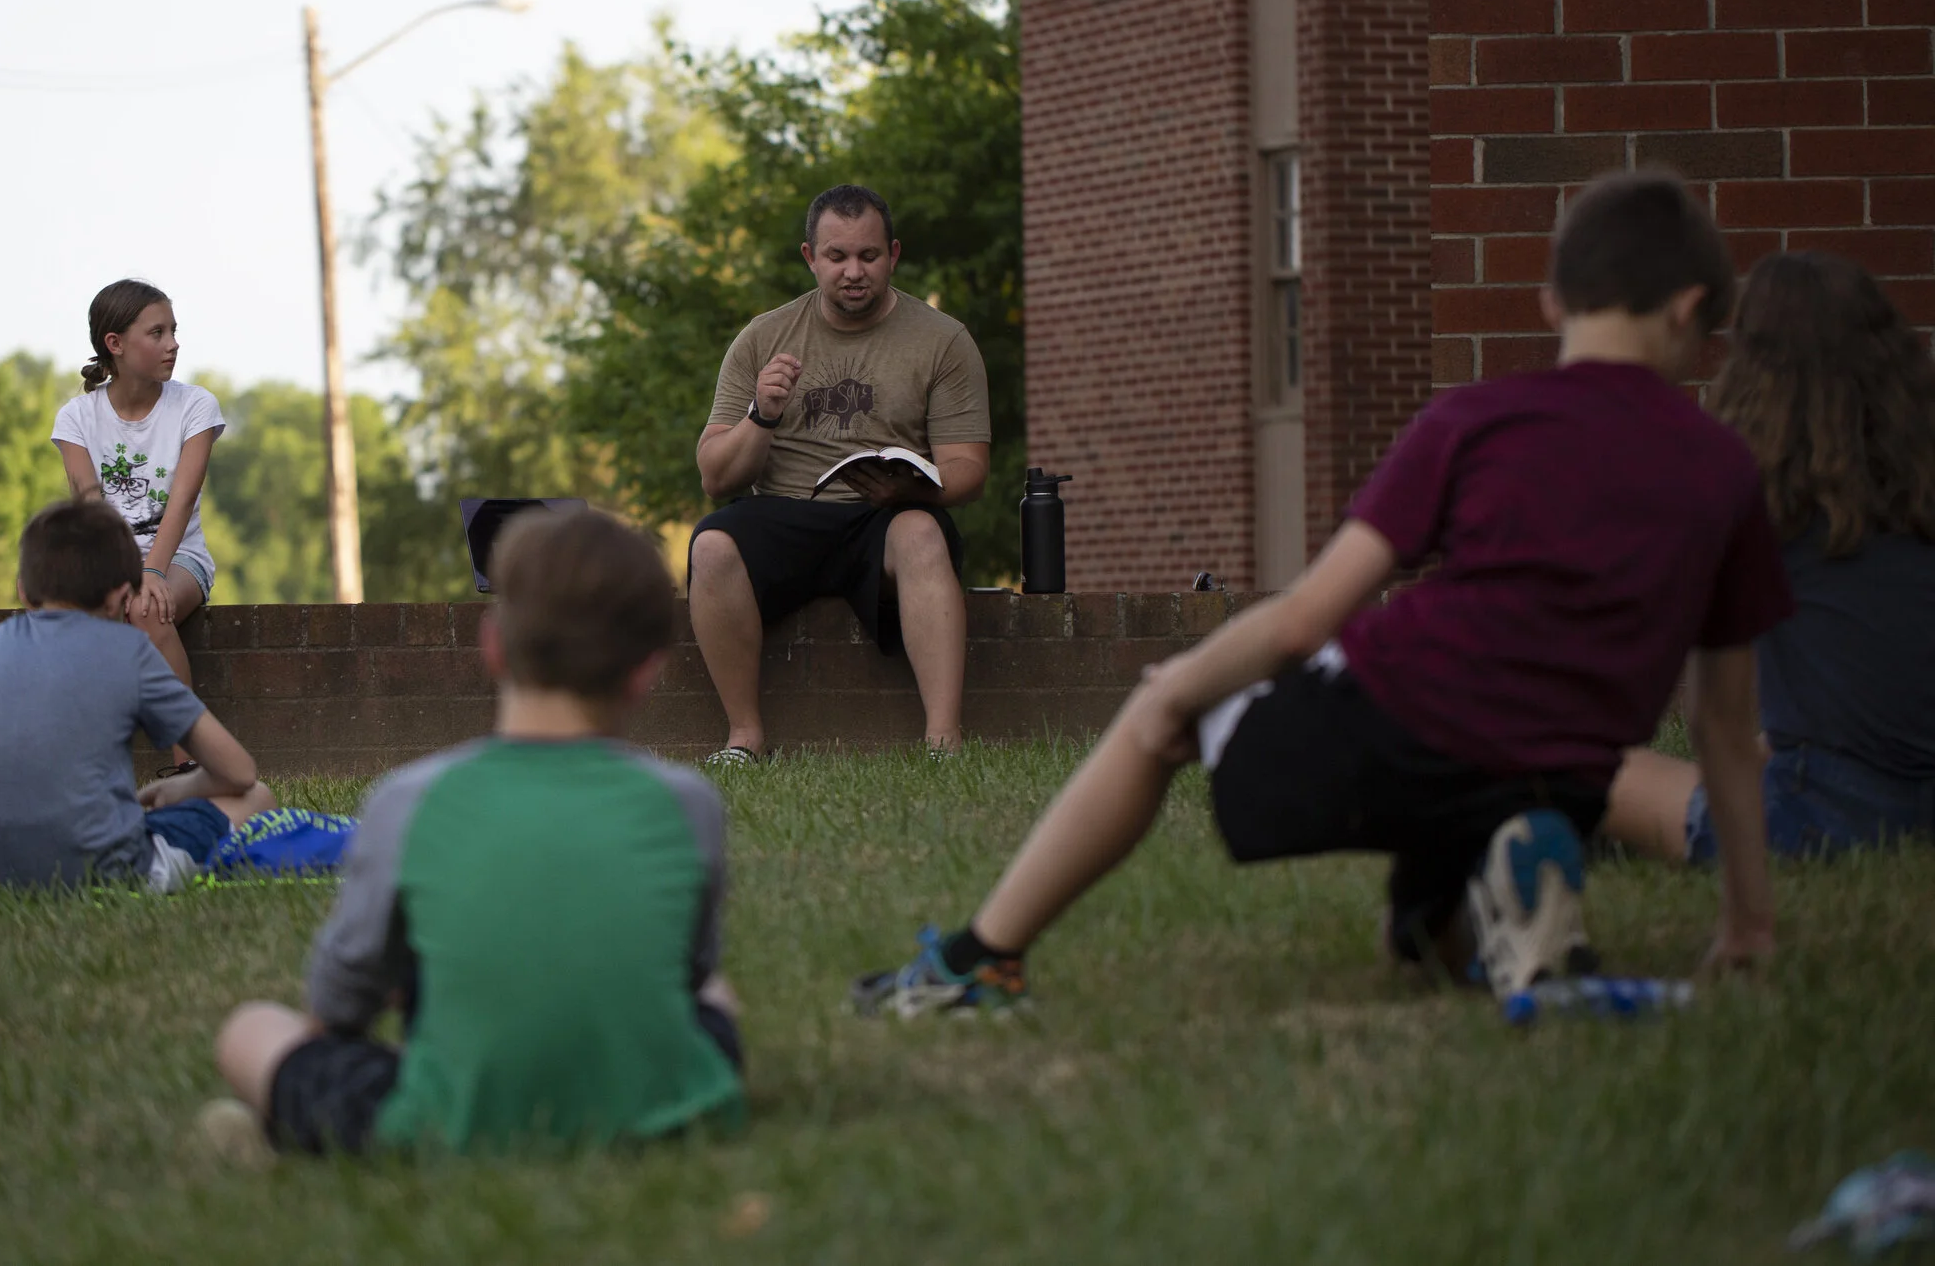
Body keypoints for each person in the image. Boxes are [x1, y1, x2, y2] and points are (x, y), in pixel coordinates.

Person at [851, 170, 1791, 1016]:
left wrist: (1182, 679)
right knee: (1421, 944)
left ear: (1551, 303)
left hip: (1393, 730)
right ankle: (1509, 855)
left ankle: (978, 961)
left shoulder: (1474, 421)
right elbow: (1725, 725)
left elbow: (1307, 615)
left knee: (1157, 722)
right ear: (1690, 309)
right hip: (1569, 771)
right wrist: (1748, 926)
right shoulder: (1725, 471)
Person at [209, 507, 746, 1157]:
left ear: (493, 645)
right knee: (720, 994)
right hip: (661, 1103)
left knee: (249, 1028)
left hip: (448, 1122)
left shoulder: (408, 800)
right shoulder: (689, 803)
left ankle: (293, 1125)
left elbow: (338, 1004)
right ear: (647, 670)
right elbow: (689, 975)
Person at [1604, 252, 1935, 862]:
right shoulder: (1919, 495)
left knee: (1581, 761)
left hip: (1818, 819)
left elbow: (1709, 714)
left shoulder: (1753, 501)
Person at [688, 184, 991, 761]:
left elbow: (970, 468)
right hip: (785, 514)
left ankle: (944, 741)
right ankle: (744, 740)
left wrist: (917, 488)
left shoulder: (944, 340)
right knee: (712, 546)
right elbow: (716, 478)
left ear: (894, 255)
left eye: (868, 256)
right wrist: (762, 414)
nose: (854, 271)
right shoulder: (761, 337)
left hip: (885, 517)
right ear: (810, 257)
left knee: (922, 532)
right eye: (837, 256)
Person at [0, 498, 274, 895]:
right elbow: (238, 772)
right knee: (256, 797)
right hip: (108, 872)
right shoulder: (130, 651)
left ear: (23, 591)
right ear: (121, 599)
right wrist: (180, 789)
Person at [53, 278, 226, 687]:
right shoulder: (76, 418)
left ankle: (186, 751)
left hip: (179, 557)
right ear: (115, 343)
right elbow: (91, 508)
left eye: (173, 331)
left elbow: (182, 499)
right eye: (157, 333)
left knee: (146, 609)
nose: (173, 344)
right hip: (108, 557)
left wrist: (152, 573)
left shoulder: (196, 406)